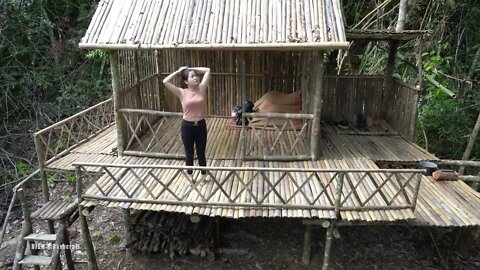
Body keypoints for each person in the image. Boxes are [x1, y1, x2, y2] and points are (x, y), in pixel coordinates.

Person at [163, 66, 211, 183]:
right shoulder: (181, 92)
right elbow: (165, 81)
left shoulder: (201, 88)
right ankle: (190, 175)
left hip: (200, 125)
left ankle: (203, 175)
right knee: (189, 152)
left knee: (201, 152)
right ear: (185, 81)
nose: (195, 78)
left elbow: (207, 70)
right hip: (187, 127)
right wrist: (179, 72)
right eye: (192, 76)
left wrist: (190, 69)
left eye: (196, 76)